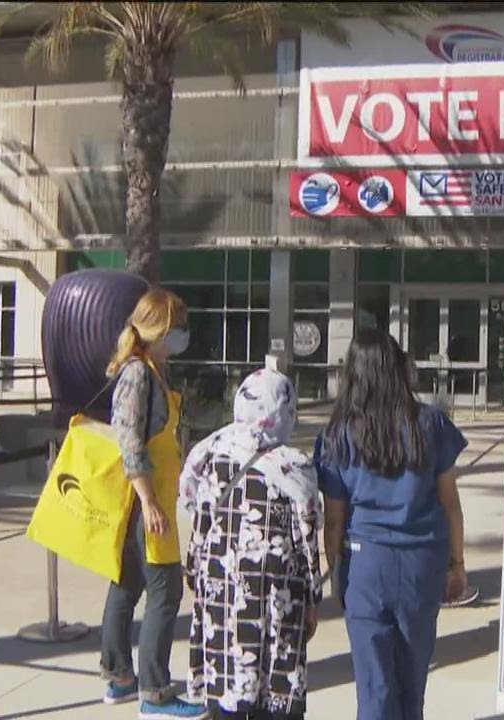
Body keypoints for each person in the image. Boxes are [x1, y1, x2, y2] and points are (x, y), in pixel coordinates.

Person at [314, 328, 469, 720]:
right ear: (399, 368)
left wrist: (331, 570)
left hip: (365, 565)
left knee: (374, 684)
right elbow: (451, 503)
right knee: (412, 680)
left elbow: (334, 519)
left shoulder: (337, 433)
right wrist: (458, 563)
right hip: (422, 563)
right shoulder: (431, 425)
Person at [179, 368, 321, 720]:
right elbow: (307, 538)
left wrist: (195, 571)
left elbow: (201, 522)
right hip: (275, 594)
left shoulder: (209, 454)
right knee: (275, 687)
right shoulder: (295, 466)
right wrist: (313, 595)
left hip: (220, 586)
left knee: (227, 677)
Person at [100, 288, 207, 720]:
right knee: (165, 591)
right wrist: (149, 502)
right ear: (159, 329)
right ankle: (155, 692)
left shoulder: (152, 371)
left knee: (126, 585)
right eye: (178, 327)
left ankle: (120, 675)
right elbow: (129, 442)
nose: (182, 336)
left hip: (150, 498)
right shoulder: (139, 375)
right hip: (146, 502)